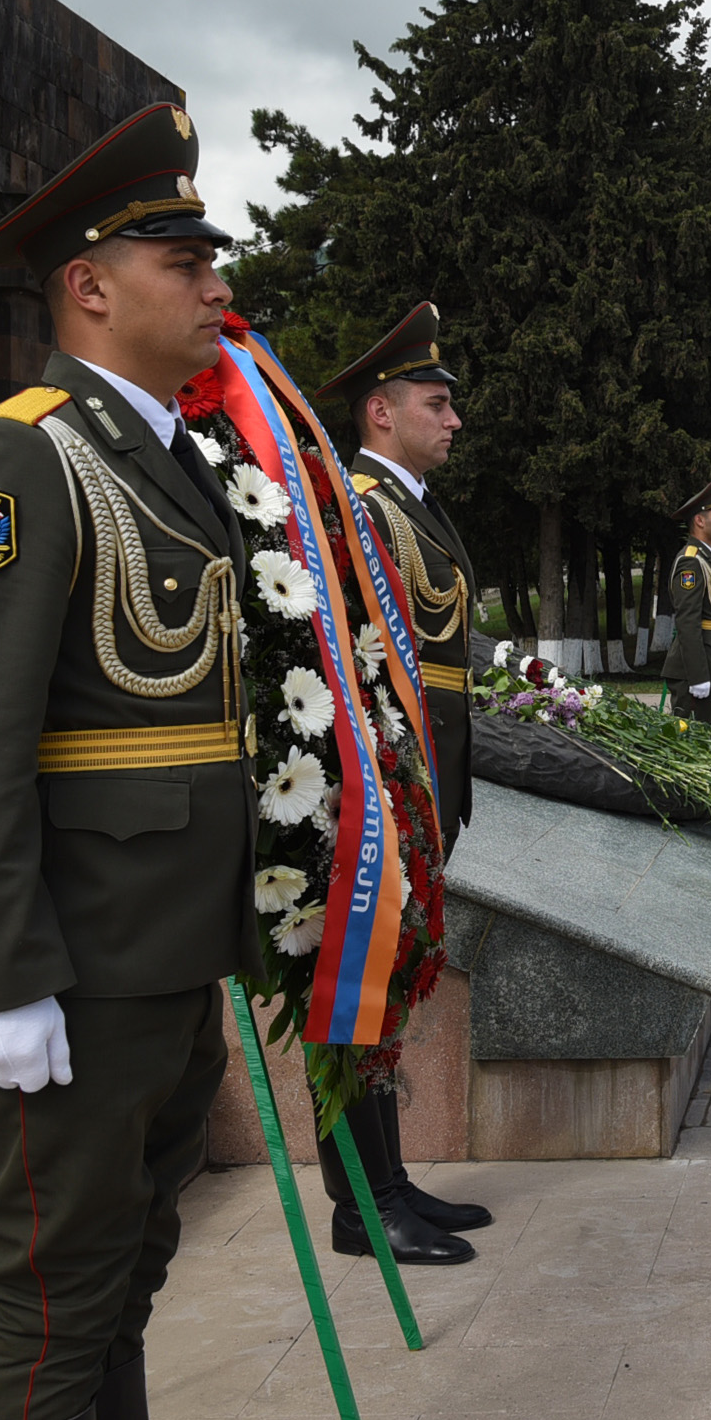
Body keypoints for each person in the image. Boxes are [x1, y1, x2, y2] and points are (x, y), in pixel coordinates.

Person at [0, 102, 250, 1420]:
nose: (215, 279)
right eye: (182, 254)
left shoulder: (169, 457)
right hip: (69, 975)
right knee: (53, 1303)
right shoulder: (16, 459)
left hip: (160, 965)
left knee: (113, 1288)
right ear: (88, 287)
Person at [317, 302, 494, 1267]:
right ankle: (359, 1203)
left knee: (387, 988)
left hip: (426, 777)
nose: (453, 420)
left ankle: (386, 1181)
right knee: (356, 986)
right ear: (381, 413)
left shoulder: (405, 503)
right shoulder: (356, 503)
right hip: (380, 782)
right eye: (437, 403)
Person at [662, 480, 711, 724]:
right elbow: (688, 622)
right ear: (699, 520)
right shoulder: (691, 561)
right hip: (695, 669)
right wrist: (698, 675)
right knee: (689, 745)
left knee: (703, 738)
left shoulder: (709, 557)